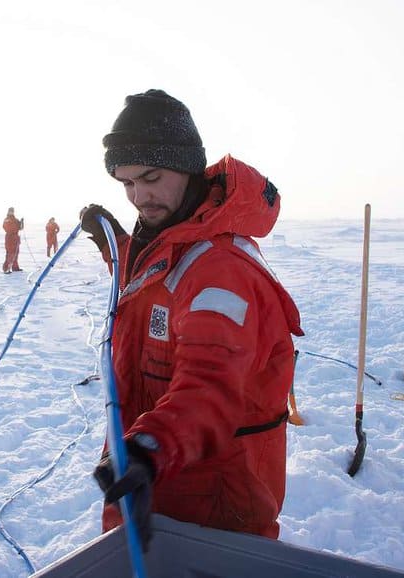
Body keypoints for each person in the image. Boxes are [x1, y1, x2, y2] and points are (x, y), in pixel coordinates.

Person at [80, 89, 303, 546]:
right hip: (161, 497)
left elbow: (210, 386)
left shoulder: (221, 271)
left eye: (151, 177)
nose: (139, 197)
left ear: (187, 166)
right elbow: (154, 280)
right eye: (126, 183)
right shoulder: (172, 238)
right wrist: (113, 244)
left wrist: (147, 449)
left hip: (212, 516)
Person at [2, 207, 24, 273]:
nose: (11, 212)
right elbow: (6, 227)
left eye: (12, 211)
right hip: (9, 238)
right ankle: (6, 268)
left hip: (16, 238)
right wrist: (16, 226)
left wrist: (21, 222)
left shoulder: (16, 220)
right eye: (10, 211)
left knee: (16, 254)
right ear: (8, 212)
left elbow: (20, 228)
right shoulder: (7, 219)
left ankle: (15, 268)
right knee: (10, 254)